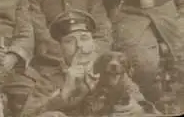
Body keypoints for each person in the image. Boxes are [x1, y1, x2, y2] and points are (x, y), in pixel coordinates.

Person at [22, 11, 152, 117]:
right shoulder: (49, 79)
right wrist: (64, 93)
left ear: (93, 42)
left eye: (84, 38)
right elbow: (27, 114)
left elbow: (147, 107)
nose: (80, 46)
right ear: (60, 47)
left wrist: (138, 109)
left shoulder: (113, 73)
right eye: (70, 41)